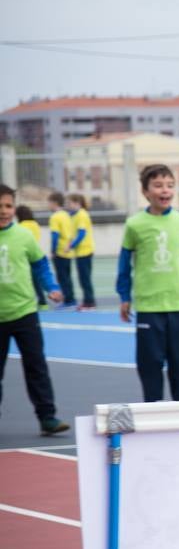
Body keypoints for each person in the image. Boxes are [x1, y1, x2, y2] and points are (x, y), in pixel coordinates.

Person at [116, 164, 179, 402]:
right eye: (158, 185)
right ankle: (152, 421)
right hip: (149, 308)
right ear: (145, 192)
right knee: (150, 368)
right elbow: (124, 264)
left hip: (178, 305)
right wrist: (124, 297)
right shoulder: (134, 224)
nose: (165, 190)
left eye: (169, 185)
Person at [0, 184, 70, 436]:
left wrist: (51, 286)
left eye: (8, 205)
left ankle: (47, 417)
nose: (4, 211)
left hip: (24, 313)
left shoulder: (24, 236)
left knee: (36, 366)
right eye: (0, 206)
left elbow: (40, 265)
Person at [66, 193, 97, 309]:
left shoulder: (82, 215)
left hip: (85, 251)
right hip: (80, 252)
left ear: (77, 203)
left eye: (70, 203)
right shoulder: (74, 216)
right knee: (82, 278)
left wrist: (71, 246)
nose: (68, 206)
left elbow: (82, 233)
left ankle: (90, 302)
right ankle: (87, 301)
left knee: (85, 278)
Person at [46, 191, 77, 308]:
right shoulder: (67, 215)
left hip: (60, 250)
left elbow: (55, 235)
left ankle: (68, 300)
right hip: (68, 250)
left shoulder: (55, 217)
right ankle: (71, 298)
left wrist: (53, 250)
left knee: (62, 277)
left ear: (54, 203)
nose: (48, 206)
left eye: (49, 203)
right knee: (67, 277)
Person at [16, 205, 46, 309]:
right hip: (35, 253)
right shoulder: (35, 224)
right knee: (37, 280)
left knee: (25, 280)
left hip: (25, 256)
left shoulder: (21, 225)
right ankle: (43, 302)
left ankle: (29, 301)